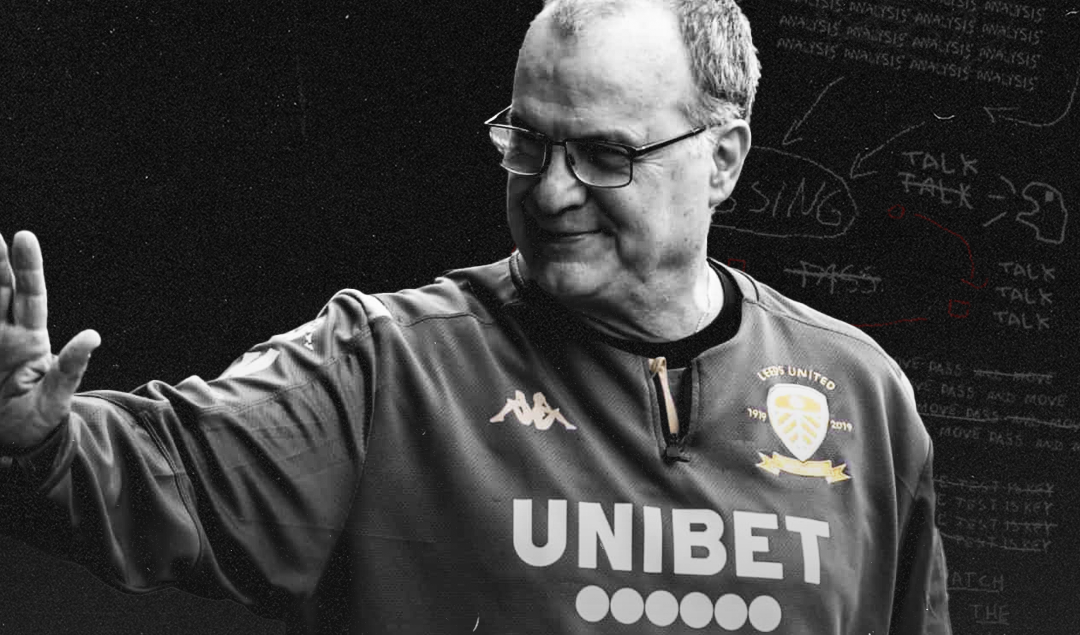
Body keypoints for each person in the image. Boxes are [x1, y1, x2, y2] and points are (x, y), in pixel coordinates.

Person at [0, 0, 951, 632]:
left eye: (605, 155)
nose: (552, 192)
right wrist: (36, 443)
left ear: (724, 159)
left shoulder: (859, 395)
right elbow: (163, 468)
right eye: (527, 143)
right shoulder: (387, 367)